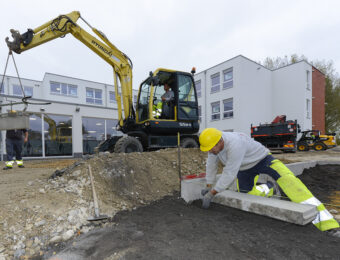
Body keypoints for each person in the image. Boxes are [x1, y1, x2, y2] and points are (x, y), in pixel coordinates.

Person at [199, 128, 339, 233]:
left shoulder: (235, 144)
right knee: (245, 195)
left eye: (212, 148)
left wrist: (212, 193)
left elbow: (229, 173)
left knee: (293, 185)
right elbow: (211, 165)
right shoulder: (213, 146)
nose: (210, 151)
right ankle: (269, 187)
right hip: (244, 168)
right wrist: (209, 185)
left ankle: (328, 226)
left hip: (263, 160)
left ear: (220, 141)